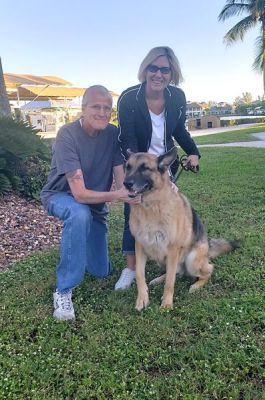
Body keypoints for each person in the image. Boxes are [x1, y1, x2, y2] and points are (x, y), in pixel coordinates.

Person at [41, 85, 139, 321]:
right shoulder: (67, 134)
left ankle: (81, 250)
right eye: (96, 106)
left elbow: (121, 178)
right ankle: (63, 290)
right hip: (61, 196)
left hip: (94, 206)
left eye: (107, 108)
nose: (103, 112)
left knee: (101, 271)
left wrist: (134, 194)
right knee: (79, 214)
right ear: (83, 108)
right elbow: (80, 194)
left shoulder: (111, 134)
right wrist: (117, 196)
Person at [115, 46, 201, 290]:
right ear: (145, 69)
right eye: (153, 68)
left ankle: (168, 259)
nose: (158, 74)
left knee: (166, 211)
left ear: (172, 73)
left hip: (163, 165)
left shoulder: (177, 97)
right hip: (138, 164)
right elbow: (125, 138)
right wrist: (137, 166)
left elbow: (179, 130)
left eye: (165, 69)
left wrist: (193, 152)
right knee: (132, 212)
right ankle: (130, 268)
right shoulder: (129, 97)